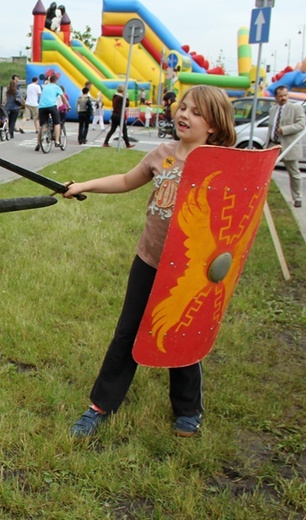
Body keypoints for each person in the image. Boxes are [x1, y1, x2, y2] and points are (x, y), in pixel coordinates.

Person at [62, 85, 237, 439]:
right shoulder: (162, 153)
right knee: (127, 333)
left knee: (181, 334)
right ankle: (101, 406)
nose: (184, 114)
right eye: (183, 107)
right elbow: (128, 180)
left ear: (215, 125)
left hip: (190, 269)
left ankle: (188, 409)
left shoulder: (221, 167)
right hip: (150, 259)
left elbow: (232, 222)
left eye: (196, 112)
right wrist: (85, 184)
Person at [267, 85, 306, 207]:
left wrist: (285, 129)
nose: (283, 98)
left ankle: (297, 197)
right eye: (280, 96)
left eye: (285, 95)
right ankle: (263, 195)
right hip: (273, 145)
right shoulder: (272, 110)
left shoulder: (296, 108)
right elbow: (271, 127)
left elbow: (301, 125)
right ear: (276, 97)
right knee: (266, 171)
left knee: (294, 173)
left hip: (288, 146)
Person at [36, 74, 64, 152]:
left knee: (41, 126)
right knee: (57, 123)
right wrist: (68, 106)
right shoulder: (57, 87)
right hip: (51, 106)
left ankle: (38, 143)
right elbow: (63, 98)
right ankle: (57, 141)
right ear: (56, 81)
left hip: (41, 107)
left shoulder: (45, 87)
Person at [103, 84, 133, 148]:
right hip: (119, 116)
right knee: (124, 130)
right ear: (123, 90)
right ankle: (127, 144)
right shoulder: (121, 98)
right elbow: (127, 104)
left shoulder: (115, 97)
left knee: (112, 130)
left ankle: (105, 142)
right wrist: (127, 98)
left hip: (114, 115)